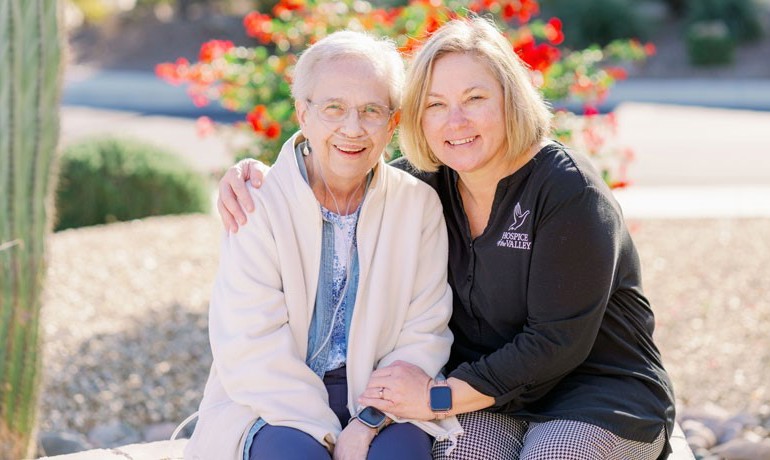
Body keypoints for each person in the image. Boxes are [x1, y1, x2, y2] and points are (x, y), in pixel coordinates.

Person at [217, 18, 676, 460]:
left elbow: (555, 343)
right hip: (489, 397)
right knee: (456, 452)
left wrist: (435, 398)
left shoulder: (568, 191)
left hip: (597, 393)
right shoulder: (429, 183)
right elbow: (343, 169)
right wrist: (258, 177)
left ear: (509, 100)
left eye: (474, 98)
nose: (455, 121)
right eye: (436, 104)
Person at [185, 30, 464, 460]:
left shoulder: (418, 205)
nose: (352, 129)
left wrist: (367, 421)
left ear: (392, 122)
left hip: (381, 401)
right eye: (334, 108)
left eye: (372, 110)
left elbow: (423, 331)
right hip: (272, 401)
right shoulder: (255, 201)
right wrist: (329, 434)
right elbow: (250, 344)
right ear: (303, 114)